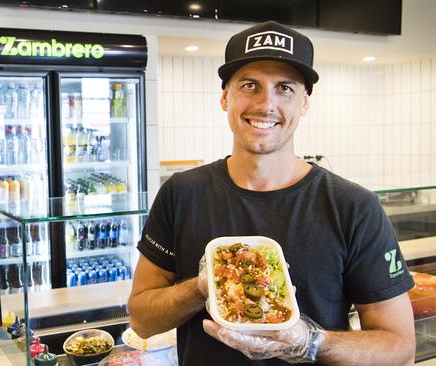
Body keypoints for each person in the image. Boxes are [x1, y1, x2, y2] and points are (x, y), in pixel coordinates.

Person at [128, 20, 415, 366]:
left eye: (285, 89)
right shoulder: (181, 192)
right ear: (225, 97)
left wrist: (310, 342)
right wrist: (204, 288)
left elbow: (400, 348)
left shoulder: (354, 207)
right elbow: (142, 321)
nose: (266, 104)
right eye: (250, 85)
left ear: (304, 103)